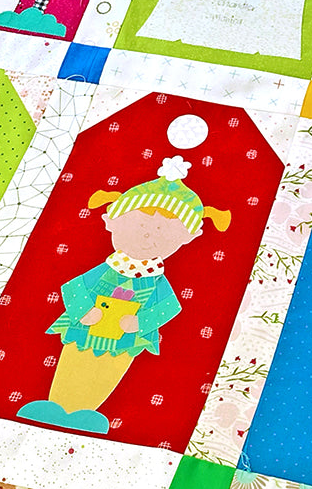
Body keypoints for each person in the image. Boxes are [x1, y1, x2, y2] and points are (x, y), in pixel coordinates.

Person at [16, 155, 230, 434]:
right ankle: (56, 406)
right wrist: (84, 311)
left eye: (162, 231)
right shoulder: (108, 269)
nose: (148, 236)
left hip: (125, 340)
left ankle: (87, 413)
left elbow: (169, 308)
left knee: (109, 371)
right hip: (85, 329)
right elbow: (73, 287)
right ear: (112, 222)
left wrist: (140, 323)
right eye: (141, 225)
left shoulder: (155, 279)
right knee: (73, 362)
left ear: (185, 239)